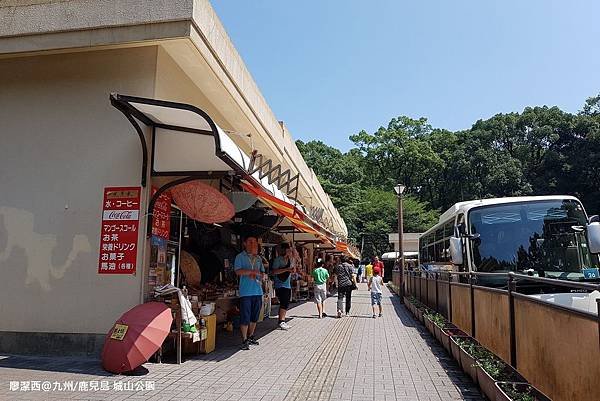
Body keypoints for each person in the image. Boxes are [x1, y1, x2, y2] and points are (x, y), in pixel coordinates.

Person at [234, 236, 266, 350]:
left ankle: (251, 336)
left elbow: (262, 273)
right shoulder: (240, 257)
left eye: (255, 242)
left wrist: (260, 275)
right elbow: (237, 271)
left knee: (254, 316)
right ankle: (244, 339)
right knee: (245, 316)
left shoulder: (258, 259)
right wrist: (251, 272)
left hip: (258, 291)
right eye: (250, 242)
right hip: (246, 292)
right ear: (244, 243)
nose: (253, 244)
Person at [272, 243, 296, 330]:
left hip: (287, 284)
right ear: (284, 250)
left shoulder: (290, 260)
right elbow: (274, 272)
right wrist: (286, 269)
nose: (290, 251)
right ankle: (281, 321)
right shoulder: (278, 260)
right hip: (280, 284)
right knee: (284, 302)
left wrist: (292, 270)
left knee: (286, 303)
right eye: (288, 250)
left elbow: (292, 270)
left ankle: (282, 320)